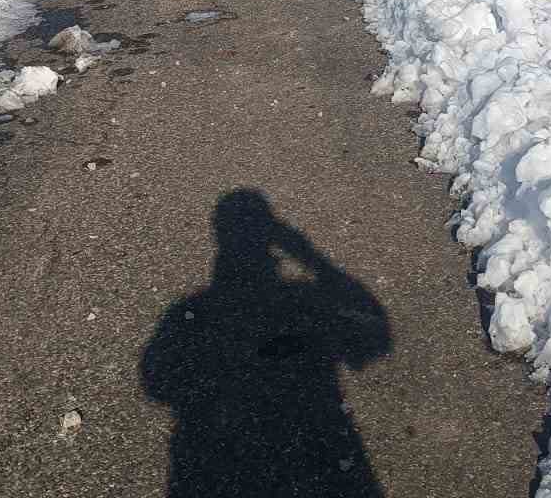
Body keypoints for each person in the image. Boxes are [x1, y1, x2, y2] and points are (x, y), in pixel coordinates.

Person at [140, 190, 390, 497]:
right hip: (315, 434)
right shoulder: (301, 298)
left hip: (211, 452)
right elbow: (374, 341)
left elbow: (156, 380)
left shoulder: (193, 309)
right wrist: (312, 259)